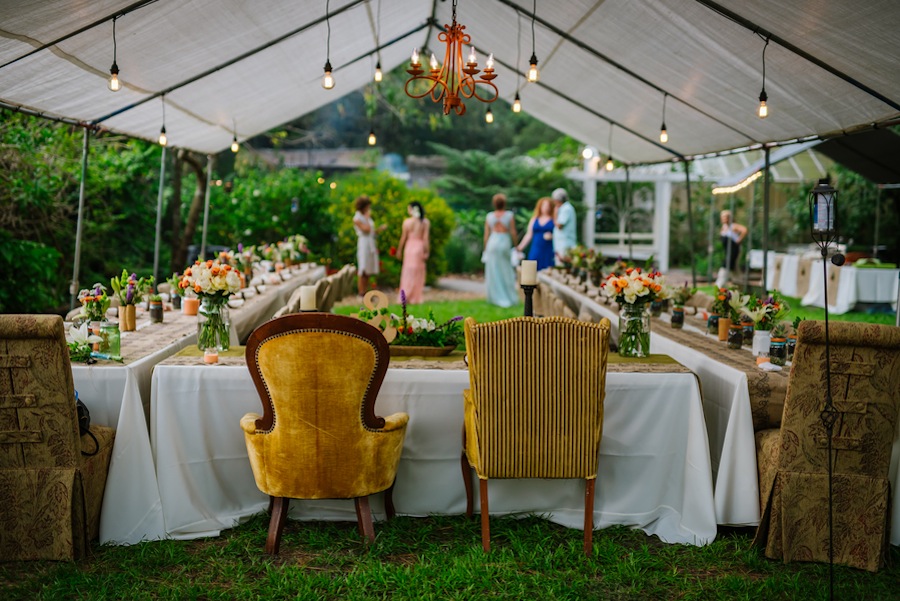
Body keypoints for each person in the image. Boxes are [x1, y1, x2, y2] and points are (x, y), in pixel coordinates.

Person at [483, 193, 519, 308]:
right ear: (504, 203)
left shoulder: (489, 216)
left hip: (492, 242)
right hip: (504, 241)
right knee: (506, 270)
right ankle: (508, 297)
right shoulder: (509, 215)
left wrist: (485, 249)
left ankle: (495, 297)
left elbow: (486, 235)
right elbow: (513, 232)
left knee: (493, 270)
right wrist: (516, 246)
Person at [397, 201, 430, 304]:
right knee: (417, 272)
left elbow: (403, 237)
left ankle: (405, 295)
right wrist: (427, 251)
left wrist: (399, 250)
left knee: (408, 272)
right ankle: (415, 297)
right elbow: (425, 238)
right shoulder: (424, 222)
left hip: (409, 247)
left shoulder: (407, 222)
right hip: (419, 247)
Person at [352, 195, 386, 296]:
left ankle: (366, 292)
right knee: (363, 268)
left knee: (368, 269)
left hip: (370, 242)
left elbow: (371, 231)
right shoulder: (357, 218)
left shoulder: (365, 216)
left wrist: (379, 229)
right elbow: (366, 229)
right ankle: (361, 292)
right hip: (364, 244)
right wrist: (367, 218)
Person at [516, 197, 555, 271]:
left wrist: (552, 236)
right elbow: (529, 234)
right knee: (532, 268)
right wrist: (520, 247)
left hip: (548, 249)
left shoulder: (554, 219)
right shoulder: (535, 219)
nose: (546, 208)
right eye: (544, 205)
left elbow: (558, 234)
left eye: (548, 206)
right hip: (536, 247)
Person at [716, 209, 748, 288]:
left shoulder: (733, 226)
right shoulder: (723, 227)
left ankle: (720, 283)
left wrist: (739, 239)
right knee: (735, 268)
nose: (724, 219)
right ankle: (739, 283)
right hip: (727, 251)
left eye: (726, 217)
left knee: (729, 265)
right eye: (722, 217)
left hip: (734, 250)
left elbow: (744, 230)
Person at [551, 187, 577, 264]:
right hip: (563, 244)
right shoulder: (565, 208)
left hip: (565, 245)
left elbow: (559, 225)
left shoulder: (566, 209)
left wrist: (555, 213)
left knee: (564, 267)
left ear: (557, 200)